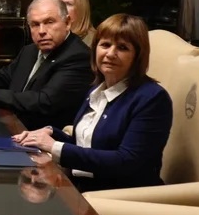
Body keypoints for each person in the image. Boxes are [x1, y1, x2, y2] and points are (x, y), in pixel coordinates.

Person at [14, 14, 173, 193]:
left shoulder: (152, 98)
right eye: (105, 45)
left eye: (122, 48)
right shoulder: (95, 90)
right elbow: (88, 146)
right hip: (83, 187)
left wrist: (55, 147)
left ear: (138, 56)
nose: (110, 54)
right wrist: (50, 133)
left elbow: (127, 161)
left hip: (121, 195)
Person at [0, 0, 91, 130]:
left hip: (44, 137)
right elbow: (4, 76)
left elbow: (44, 101)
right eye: (35, 25)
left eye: (49, 22)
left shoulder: (78, 56)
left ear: (67, 23)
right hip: (12, 126)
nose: (42, 31)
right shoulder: (30, 50)